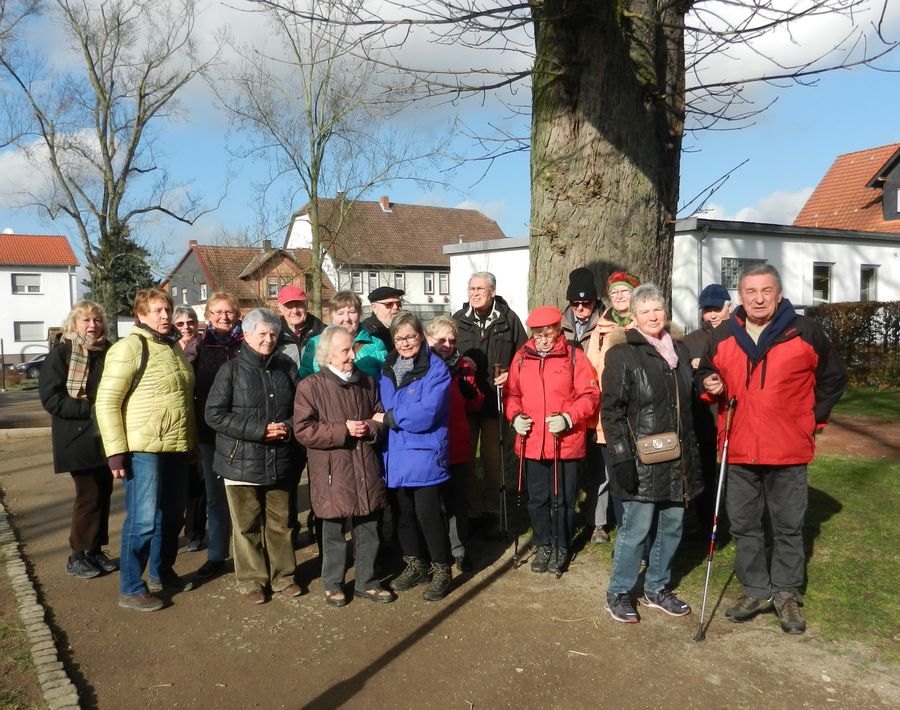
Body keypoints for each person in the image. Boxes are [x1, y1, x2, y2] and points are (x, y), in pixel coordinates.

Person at [698, 264, 847, 634]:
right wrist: (709, 384)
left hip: (788, 449)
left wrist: (813, 419)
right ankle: (755, 589)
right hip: (740, 446)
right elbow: (703, 374)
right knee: (746, 526)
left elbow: (834, 377)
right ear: (741, 296)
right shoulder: (723, 335)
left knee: (788, 526)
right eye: (751, 291)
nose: (758, 298)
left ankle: (786, 593)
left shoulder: (805, 331)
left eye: (766, 291)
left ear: (779, 294)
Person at [601, 283, 703, 624]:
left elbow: (688, 394)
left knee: (672, 525)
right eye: (644, 311)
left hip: (678, 455)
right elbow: (612, 410)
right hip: (642, 457)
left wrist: (708, 380)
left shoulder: (680, 350)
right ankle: (618, 591)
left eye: (657, 309)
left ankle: (657, 588)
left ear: (666, 312)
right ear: (634, 316)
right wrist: (620, 457)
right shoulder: (622, 353)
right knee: (636, 529)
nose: (653, 316)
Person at [96, 288, 196, 612]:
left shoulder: (174, 349)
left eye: (167, 309)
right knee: (142, 522)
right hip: (143, 449)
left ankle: (161, 572)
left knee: (171, 518)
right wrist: (115, 452)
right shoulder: (129, 348)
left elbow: (183, 402)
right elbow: (107, 401)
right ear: (140, 315)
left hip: (177, 447)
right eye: (157, 310)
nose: (165, 316)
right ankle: (130, 587)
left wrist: (190, 443)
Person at [205, 308, 303, 604]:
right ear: (246, 335)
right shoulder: (231, 370)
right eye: (262, 334)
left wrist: (285, 428)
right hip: (240, 461)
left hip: (280, 457)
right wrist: (260, 430)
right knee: (246, 526)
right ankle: (252, 581)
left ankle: (284, 577)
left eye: (273, 334)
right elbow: (214, 414)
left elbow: (301, 409)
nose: (268, 339)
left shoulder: (286, 366)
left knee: (281, 522)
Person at [294, 325, 393, 607]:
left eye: (353, 348)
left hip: (365, 466)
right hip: (331, 470)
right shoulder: (310, 387)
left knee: (368, 525)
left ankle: (367, 582)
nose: (353, 355)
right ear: (327, 356)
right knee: (334, 529)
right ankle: (333, 583)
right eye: (345, 351)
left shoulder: (367, 382)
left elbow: (380, 415)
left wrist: (371, 428)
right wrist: (343, 430)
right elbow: (304, 431)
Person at [504, 306, 599, 575]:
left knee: (564, 500)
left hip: (564, 442)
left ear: (559, 330)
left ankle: (562, 545)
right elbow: (511, 394)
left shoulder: (574, 358)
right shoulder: (522, 358)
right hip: (532, 441)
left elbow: (590, 395)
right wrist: (514, 417)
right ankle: (543, 543)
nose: (543, 339)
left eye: (548, 333)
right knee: (537, 499)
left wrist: (569, 418)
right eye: (538, 334)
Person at [375, 311, 453, 601]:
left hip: (423, 452)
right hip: (394, 454)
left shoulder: (436, 368)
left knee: (428, 515)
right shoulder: (386, 368)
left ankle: (442, 568)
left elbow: (428, 412)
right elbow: (382, 403)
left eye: (410, 336)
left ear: (421, 335)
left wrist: (392, 418)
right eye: (399, 338)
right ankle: (414, 563)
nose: (405, 342)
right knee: (403, 515)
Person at [38, 301, 115, 580]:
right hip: (77, 437)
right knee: (89, 495)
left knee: (103, 492)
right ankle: (77, 554)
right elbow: (52, 398)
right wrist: (92, 409)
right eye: (86, 320)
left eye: (97, 320)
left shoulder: (107, 352)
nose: (92, 325)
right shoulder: (62, 354)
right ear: (74, 324)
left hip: (105, 436)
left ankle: (94, 550)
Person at [452, 271, 526, 540]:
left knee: (495, 463)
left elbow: (523, 355)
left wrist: (512, 375)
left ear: (492, 291)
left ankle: (495, 512)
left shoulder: (509, 320)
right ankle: (472, 513)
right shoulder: (458, 320)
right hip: (468, 402)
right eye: (471, 288)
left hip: (497, 403)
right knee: (468, 460)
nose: (474, 293)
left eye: (480, 289)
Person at [425, 315, 484, 572]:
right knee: (431, 503)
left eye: (452, 339)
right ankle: (434, 551)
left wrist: (473, 391)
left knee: (457, 501)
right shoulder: (421, 365)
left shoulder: (464, 367)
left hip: (457, 443)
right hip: (429, 445)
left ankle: (459, 548)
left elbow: (475, 403)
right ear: (429, 340)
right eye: (441, 339)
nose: (447, 344)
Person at [585, 270, 641, 538]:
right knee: (611, 472)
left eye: (625, 291)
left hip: (640, 412)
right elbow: (591, 368)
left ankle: (640, 530)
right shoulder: (601, 329)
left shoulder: (645, 322)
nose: (619, 297)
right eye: (614, 292)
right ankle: (615, 526)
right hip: (608, 412)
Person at [193, 292, 243, 580]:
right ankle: (216, 555)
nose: (224, 317)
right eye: (217, 312)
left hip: (243, 431)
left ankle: (249, 553)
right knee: (215, 497)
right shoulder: (199, 347)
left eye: (229, 311)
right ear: (208, 315)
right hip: (209, 432)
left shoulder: (245, 343)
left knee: (244, 495)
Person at [682, 283, 732, 532]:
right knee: (702, 466)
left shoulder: (739, 336)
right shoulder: (690, 341)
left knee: (733, 467)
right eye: (707, 310)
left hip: (732, 413)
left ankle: (732, 515)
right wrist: (691, 367)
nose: (712, 315)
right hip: (702, 414)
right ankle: (702, 518)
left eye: (717, 309)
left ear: (728, 307)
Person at [173, 305, 205, 552]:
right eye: (180, 323)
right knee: (175, 481)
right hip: (175, 421)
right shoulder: (168, 349)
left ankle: (195, 532)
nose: (186, 327)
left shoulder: (203, 348)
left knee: (198, 481)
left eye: (190, 322)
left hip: (199, 418)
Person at [300, 291, 388, 379]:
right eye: (340, 313)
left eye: (352, 312)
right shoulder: (316, 343)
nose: (346, 319)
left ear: (360, 313)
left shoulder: (376, 345)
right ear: (332, 316)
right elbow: (305, 380)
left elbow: (386, 382)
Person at [276, 284, 324, 367]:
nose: (295, 311)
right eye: (289, 306)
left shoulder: (323, 332)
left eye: (299, 305)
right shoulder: (273, 334)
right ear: (280, 308)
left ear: (307, 305)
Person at [362, 286, 404, 353]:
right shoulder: (368, 333)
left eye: (398, 303)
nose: (396, 307)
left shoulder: (406, 327)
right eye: (389, 304)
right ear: (374, 308)